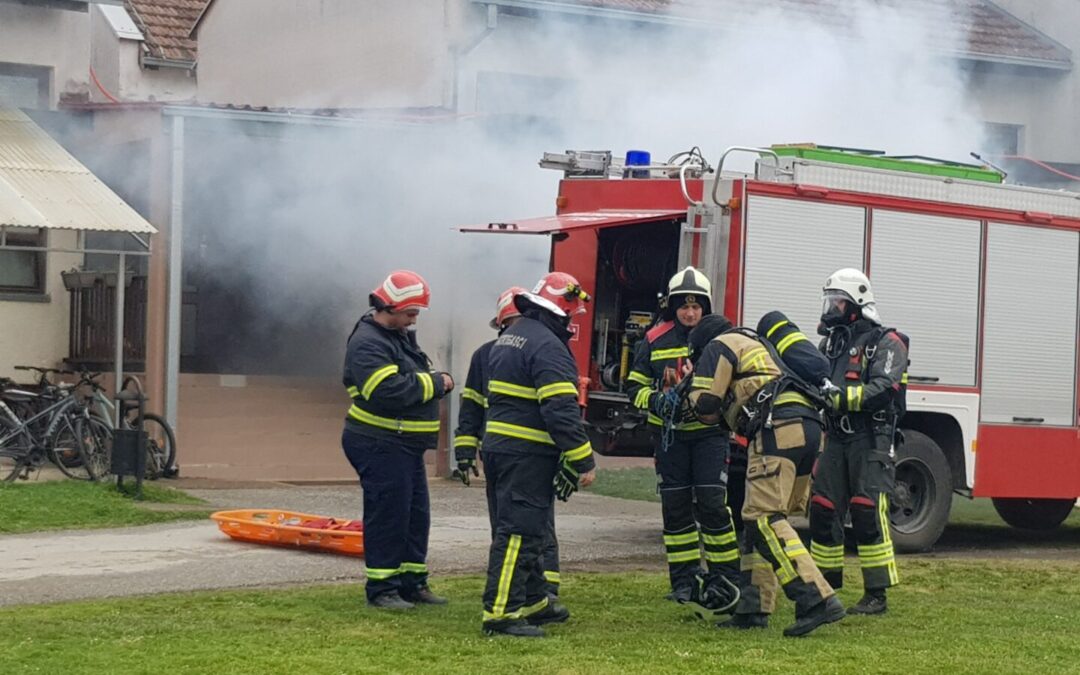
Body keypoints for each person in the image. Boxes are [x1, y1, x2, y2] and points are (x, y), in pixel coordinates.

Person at [688, 312, 844, 637]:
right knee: (759, 522)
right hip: (808, 428)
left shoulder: (718, 345)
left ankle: (816, 598)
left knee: (763, 518)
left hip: (778, 428)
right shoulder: (758, 346)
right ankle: (753, 607)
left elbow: (705, 404)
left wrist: (685, 392)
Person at [480, 272, 596, 637]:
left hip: (502, 449)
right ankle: (502, 613)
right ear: (560, 309)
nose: (572, 322)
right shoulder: (548, 346)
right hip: (526, 454)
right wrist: (582, 458)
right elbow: (560, 409)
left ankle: (533, 601)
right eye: (571, 314)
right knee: (519, 533)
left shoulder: (512, 337)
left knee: (524, 530)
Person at [624, 266, 739, 614]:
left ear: (706, 307)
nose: (690, 313)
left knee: (713, 506)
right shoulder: (654, 339)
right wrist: (655, 400)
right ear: (673, 307)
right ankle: (684, 583)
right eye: (684, 306)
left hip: (709, 437)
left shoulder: (721, 340)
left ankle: (725, 580)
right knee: (675, 513)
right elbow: (633, 386)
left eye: (696, 306)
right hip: (670, 439)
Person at [341, 270, 454, 609]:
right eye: (410, 313)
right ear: (390, 307)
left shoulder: (396, 336)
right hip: (380, 442)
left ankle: (412, 582)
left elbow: (406, 377)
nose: (414, 320)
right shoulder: (368, 342)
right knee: (388, 517)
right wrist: (436, 383)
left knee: (415, 516)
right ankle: (382, 589)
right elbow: (386, 391)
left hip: (403, 444)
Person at [809, 268, 909, 616]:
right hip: (836, 437)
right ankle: (823, 589)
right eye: (831, 300)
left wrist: (840, 398)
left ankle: (876, 594)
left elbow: (883, 389)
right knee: (822, 508)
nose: (832, 307)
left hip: (871, 438)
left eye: (838, 301)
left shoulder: (887, 342)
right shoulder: (830, 344)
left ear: (857, 303)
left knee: (867, 511)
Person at [453, 286, 563, 598]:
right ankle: (517, 588)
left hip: (533, 453)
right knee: (507, 525)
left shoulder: (540, 348)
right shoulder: (485, 355)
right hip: (504, 453)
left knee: (539, 524)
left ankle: (544, 588)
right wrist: (464, 448)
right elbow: (472, 405)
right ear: (502, 324)